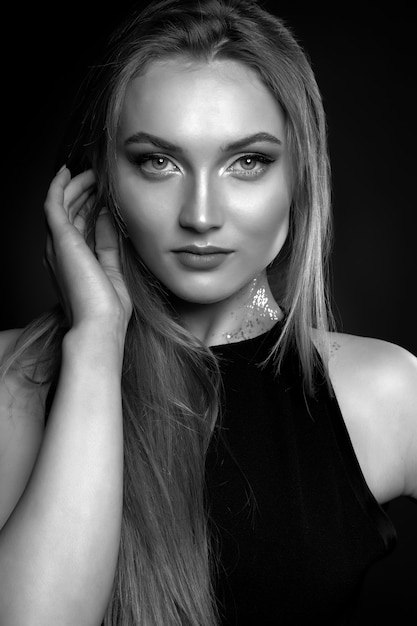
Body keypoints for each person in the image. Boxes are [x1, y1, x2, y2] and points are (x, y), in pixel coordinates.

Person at [0, 1, 415, 624]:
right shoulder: (12, 381)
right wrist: (95, 341)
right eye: (157, 161)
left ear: (301, 178)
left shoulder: (388, 391)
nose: (201, 213)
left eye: (247, 161)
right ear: (100, 180)